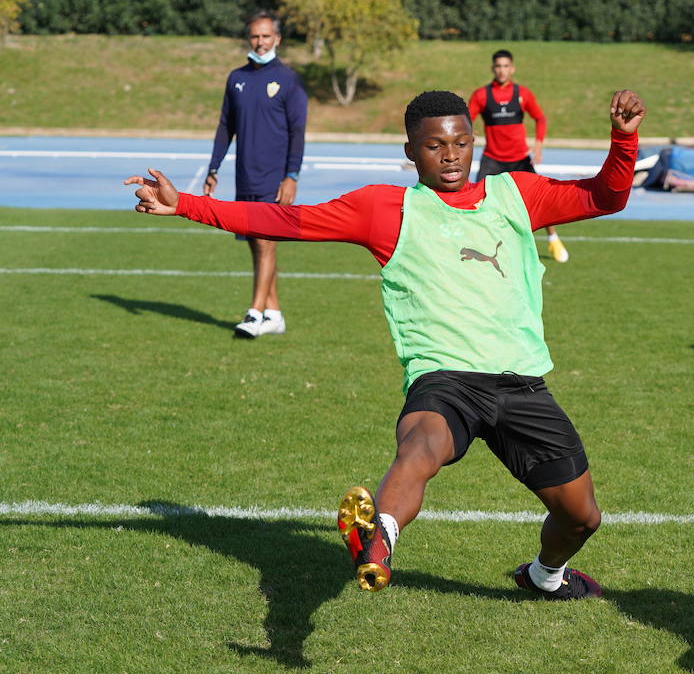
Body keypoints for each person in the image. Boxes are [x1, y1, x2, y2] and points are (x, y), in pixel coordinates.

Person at [127, 89, 647, 599]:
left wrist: (623, 140)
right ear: (410, 152)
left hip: (521, 382)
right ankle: (379, 537)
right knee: (420, 445)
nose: (450, 156)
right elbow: (286, 221)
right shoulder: (384, 208)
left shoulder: (517, 193)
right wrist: (188, 205)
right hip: (446, 379)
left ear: (475, 143)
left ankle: (543, 577)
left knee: (581, 517)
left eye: (461, 143)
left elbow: (606, 196)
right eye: (434, 145)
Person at [205, 11, 308, 339]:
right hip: (245, 175)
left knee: (266, 242)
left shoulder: (288, 79)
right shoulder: (236, 78)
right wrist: (213, 168)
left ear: (277, 39)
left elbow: (298, 131)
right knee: (254, 242)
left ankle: (253, 312)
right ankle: (274, 313)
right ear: (248, 39)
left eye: (266, 36)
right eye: (255, 36)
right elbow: (226, 127)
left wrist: (291, 175)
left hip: (274, 177)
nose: (260, 42)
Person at [465, 49, 569, 264]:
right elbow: (466, 119)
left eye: (505, 66)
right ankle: (477, 244)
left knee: (541, 199)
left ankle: (554, 239)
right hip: (492, 159)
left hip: (520, 159)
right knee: (475, 201)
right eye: (498, 66)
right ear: (492, 68)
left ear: (512, 68)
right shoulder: (481, 95)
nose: (502, 70)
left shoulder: (523, 94)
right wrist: (469, 131)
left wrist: (538, 146)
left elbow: (540, 118)